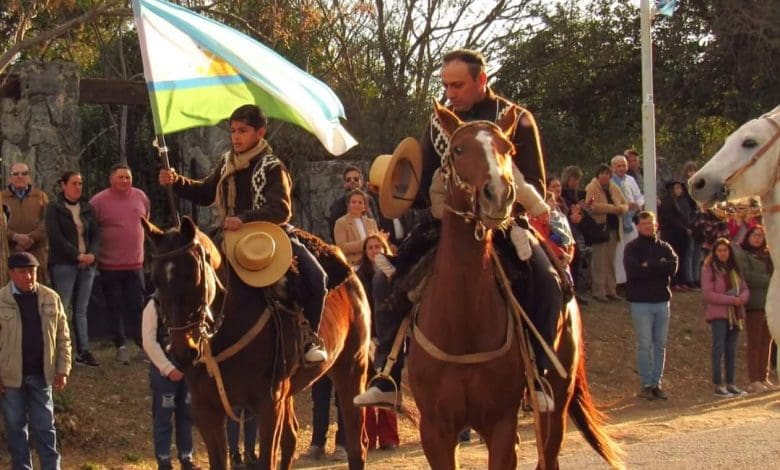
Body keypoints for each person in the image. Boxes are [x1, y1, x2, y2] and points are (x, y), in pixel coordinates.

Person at [354, 48, 561, 412]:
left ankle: (538, 373)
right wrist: (397, 191)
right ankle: (387, 373)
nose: (451, 93)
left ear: (482, 80)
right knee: (385, 277)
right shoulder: (438, 122)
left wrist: (503, 207)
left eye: (458, 85)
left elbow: (538, 187)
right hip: (446, 226)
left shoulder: (516, 118)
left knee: (547, 279)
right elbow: (419, 186)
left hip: (505, 225)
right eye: (446, 85)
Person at [158, 104, 328, 363]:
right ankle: (187, 331)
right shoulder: (227, 162)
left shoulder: (273, 167)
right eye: (233, 131)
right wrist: (177, 181)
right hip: (228, 235)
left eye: (243, 131)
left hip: (268, 237)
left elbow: (281, 209)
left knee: (317, 279)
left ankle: (308, 338)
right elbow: (205, 192)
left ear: (260, 133)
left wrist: (244, 218)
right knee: (185, 270)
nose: (236, 137)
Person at [0, 252, 71, 470]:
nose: (29, 277)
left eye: (31, 272)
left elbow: (63, 336)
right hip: (11, 378)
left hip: (42, 374)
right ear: (12, 273)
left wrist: (63, 369)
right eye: (23, 273)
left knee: (45, 427)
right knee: (15, 428)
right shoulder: (1, 300)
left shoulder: (51, 297)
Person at [90, 163, 149, 365]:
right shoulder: (98, 201)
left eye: (128, 177)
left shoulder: (141, 197)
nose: (125, 181)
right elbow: (91, 228)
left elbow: (146, 222)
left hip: (135, 265)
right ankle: (120, 345)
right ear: (111, 179)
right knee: (114, 306)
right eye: (121, 177)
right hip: (109, 265)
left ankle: (143, 345)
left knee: (138, 306)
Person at [44, 171, 100, 367]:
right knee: (62, 308)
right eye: (74, 183)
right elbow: (56, 237)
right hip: (64, 264)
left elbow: (96, 235)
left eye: (81, 183)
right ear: (64, 186)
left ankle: (83, 351)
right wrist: (77, 255)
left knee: (81, 309)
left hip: (88, 265)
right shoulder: (54, 208)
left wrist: (92, 254)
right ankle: (60, 350)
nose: (78, 187)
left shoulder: (87, 208)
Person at [141, 295, 201, 470]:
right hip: (164, 371)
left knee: (187, 415)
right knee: (163, 417)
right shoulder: (154, 306)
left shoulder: (190, 302)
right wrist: (168, 368)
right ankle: (164, 460)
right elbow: (149, 341)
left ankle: (186, 458)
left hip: (188, 369)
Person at [623, 211, 678, 400]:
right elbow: (634, 271)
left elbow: (673, 267)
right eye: (645, 223)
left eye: (651, 222)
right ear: (638, 226)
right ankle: (646, 384)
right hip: (641, 303)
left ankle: (657, 383)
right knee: (645, 344)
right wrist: (658, 267)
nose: (649, 226)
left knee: (660, 345)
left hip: (662, 302)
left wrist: (649, 265)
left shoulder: (665, 247)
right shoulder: (631, 248)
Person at [355, 235, 400, 451]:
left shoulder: (393, 272)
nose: (374, 251)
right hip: (366, 338)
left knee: (387, 385)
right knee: (366, 387)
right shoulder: (359, 275)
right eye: (370, 248)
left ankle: (389, 437)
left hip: (390, 337)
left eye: (378, 247)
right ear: (364, 252)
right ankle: (369, 438)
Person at [701, 238, 749, 398]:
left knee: (731, 349)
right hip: (719, 314)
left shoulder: (734, 269)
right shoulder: (709, 269)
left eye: (725, 250)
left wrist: (741, 298)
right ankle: (718, 384)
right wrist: (731, 300)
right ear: (714, 252)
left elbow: (744, 288)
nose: (723, 253)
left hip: (735, 315)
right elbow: (708, 294)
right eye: (719, 250)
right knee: (718, 348)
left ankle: (731, 383)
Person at [733, 226, 774, 393]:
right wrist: (770, 280)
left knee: (767, 342)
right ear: (748, 236)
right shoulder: (744, 254)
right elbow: (747, 276)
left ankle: (764, 377)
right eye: (755, 235)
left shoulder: (768, 256)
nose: (758, 238)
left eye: (761, 235)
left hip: (769, 304)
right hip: (754, 304)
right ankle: (754, 379)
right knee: (754, 343)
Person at [584, 164, 628, 303]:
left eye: (607, 174)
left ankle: (611, 290)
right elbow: (590, 205)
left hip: (614, 228)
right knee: (599, 261)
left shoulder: (614, 187)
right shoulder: (591, 188)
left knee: (610, 260)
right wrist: (612, 209)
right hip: (600, 228)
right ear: (598, 175)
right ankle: (599, 291)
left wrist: (620, 209)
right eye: (602, 173)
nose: (605, 176)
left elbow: (625, 204)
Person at [4, 162, 49, 283]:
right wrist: (15, 237)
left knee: (36, 292)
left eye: (24, 173)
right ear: (10, 178)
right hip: (11, 252)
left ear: (29, 177)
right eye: (16, 173)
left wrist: (31, 238)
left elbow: (47, 222)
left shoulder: (40, 196)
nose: (20, 176)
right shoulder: (1, 198)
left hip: (36, 253)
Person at [611, 155, 644, 286]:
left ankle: (633, 278)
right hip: (618, 220)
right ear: (613, 167)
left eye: (623, 165)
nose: (621, 168)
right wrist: (625, 206)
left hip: (631, 219)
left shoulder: (630, 179)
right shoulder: (611, 182)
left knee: (633, 249)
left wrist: (637, 204)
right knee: (619, 253)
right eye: (618, 166)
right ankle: (620, 282)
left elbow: (639, 196)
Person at [658, 181, 692, 291]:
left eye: (680, 188)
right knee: (673, 257)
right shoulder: (667, 202)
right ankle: (674, 282)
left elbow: (686, 217)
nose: (679, 190)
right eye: (676, 188)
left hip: (682, 234)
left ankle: (682, 281)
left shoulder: (683, 201)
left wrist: (688, 228)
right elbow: (671, 219)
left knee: (682, 257)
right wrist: (684, 228)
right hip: (671, 234)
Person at [327, 166, 379, 239]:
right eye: (348, 180)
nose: (352, 181)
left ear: (362, 181)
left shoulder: (370, 200)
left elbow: (377, 224)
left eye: (356, 179)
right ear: (344, 184)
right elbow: (334, 234)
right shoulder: (338, 205)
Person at [333, 189, 382, 266]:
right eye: (353, 202)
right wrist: (366, 243)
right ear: (348, 205)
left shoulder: (371, 222)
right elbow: (341, 247)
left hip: (374, 263)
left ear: (364, 206)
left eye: (360, 202)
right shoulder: (340, 222)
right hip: (354, 265)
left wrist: (382, 240)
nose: (357, 205)